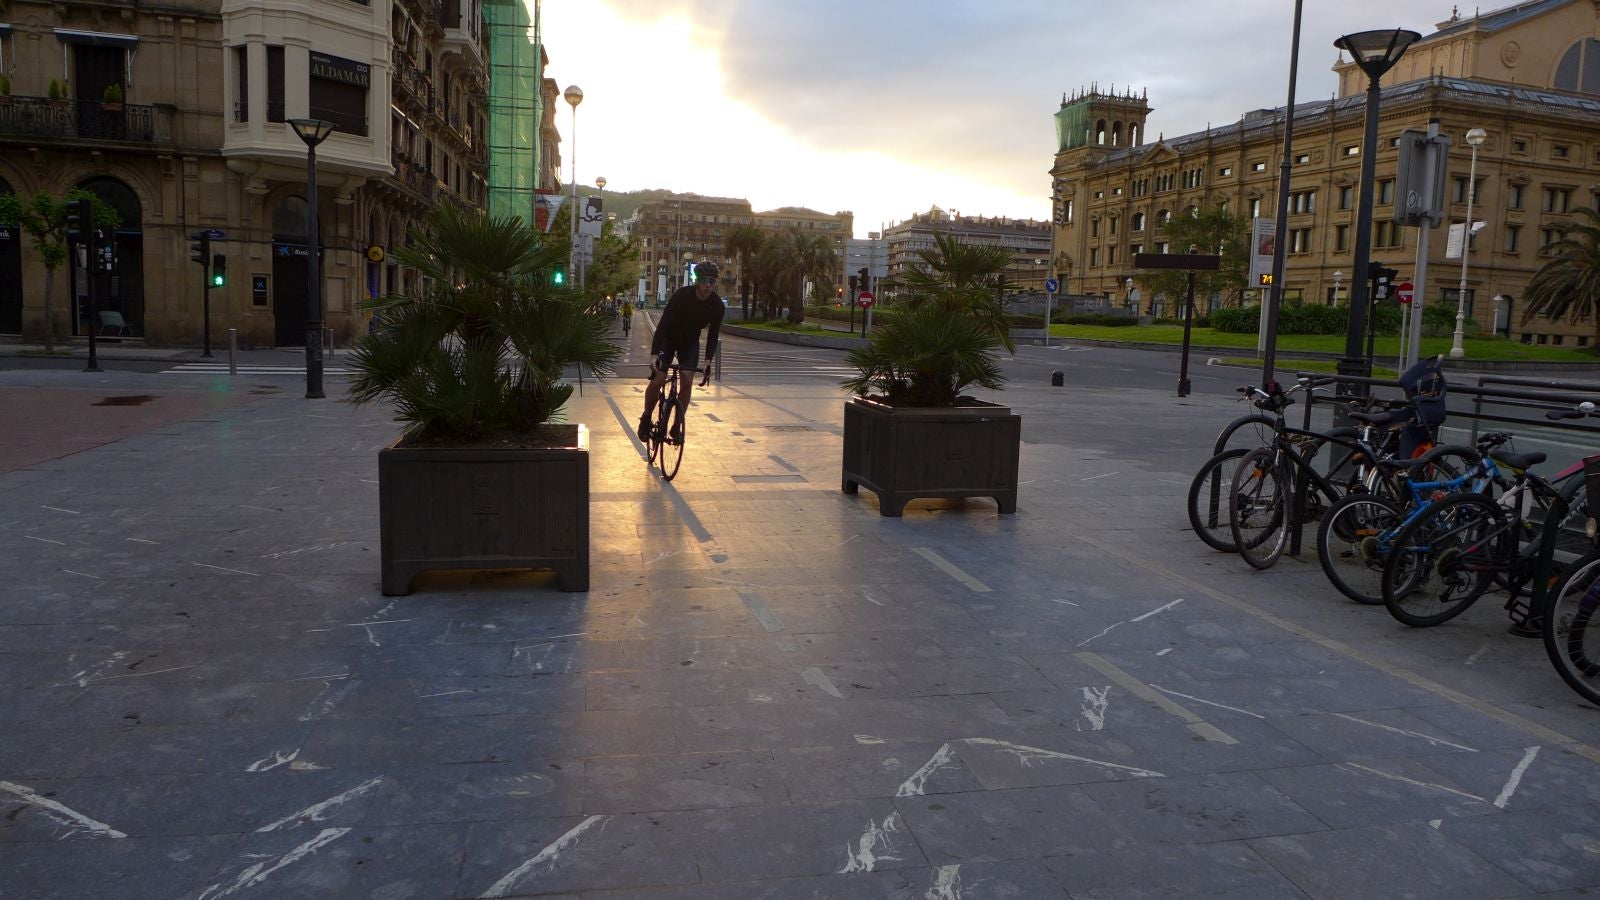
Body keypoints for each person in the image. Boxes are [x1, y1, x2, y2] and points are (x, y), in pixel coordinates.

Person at [639, 262, 724, 444]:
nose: (708, 285)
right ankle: (646, 417)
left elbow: (713, 335)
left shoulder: (716, 305)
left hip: (689, 343)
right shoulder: (682, 296)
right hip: (668, 339)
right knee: (659, 379)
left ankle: (676, 425)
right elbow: (662, 327)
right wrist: (654, 355)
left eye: (711, 282)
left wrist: (708, 361)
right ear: (697, 281)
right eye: (704, 281)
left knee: (687, 381)